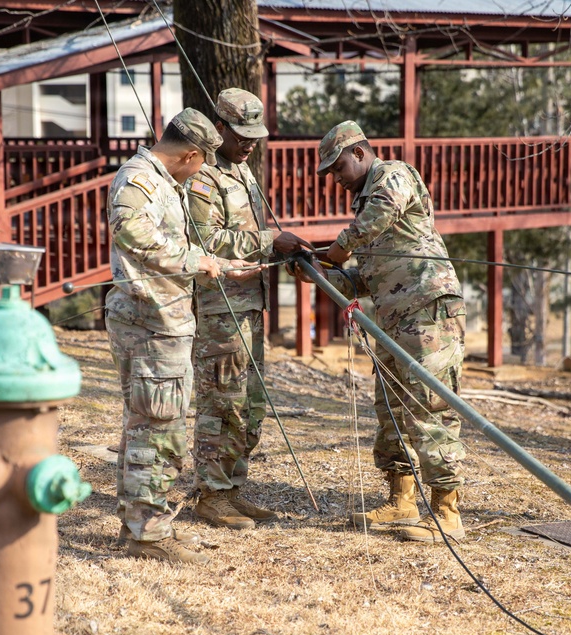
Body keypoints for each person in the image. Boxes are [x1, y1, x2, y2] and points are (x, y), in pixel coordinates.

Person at [292, 120, 467, 543]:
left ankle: (446, 511)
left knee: (429, 408)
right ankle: (401, 499)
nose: (335, 179)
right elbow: (366, 279)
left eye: (337, 169)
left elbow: (373, 221)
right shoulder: (364, 207)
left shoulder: (393, 176)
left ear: (359, 153)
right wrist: (319, 272)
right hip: (392, 320)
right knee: (390, 412)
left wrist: (334, 250)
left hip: (428, 313)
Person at [105, 108, 259, 565]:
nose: (202, 172)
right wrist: (194, 259)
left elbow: (166, 245)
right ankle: (147, 534)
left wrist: (219, 264)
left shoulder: (162, 181)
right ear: (191, 154)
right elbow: (130, 231)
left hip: (166, 320)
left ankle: (144, 523)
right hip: (149, 324)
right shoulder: (140, 179)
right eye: (201, 163)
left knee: (151, 425)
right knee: (159, 430)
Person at [187, 88, 312, 530]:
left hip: (249, 306)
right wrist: (267, 241)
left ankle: (232, 488)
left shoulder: (244, 174)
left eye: (255, 136)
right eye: (241, 135)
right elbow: (205, 242)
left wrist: (286, 252)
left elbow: (253, 237)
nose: (249, 144)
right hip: (220, 307)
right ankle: (211, 494)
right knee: (221, 402)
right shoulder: (204, 178)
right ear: (219, 129)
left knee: (249, 404)